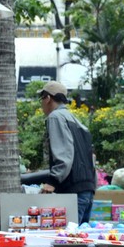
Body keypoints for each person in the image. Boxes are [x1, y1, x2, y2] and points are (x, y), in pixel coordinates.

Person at [38, 80, 96, 224]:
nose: (41, 104)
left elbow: (64, 154)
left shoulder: (55, 117)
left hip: (72, 193)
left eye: (41, 99)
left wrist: (53, 181)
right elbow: (91, 157)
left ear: (48, 98)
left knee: (68, 242)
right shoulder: (76, 120)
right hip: (88, 190)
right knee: (81, 242)